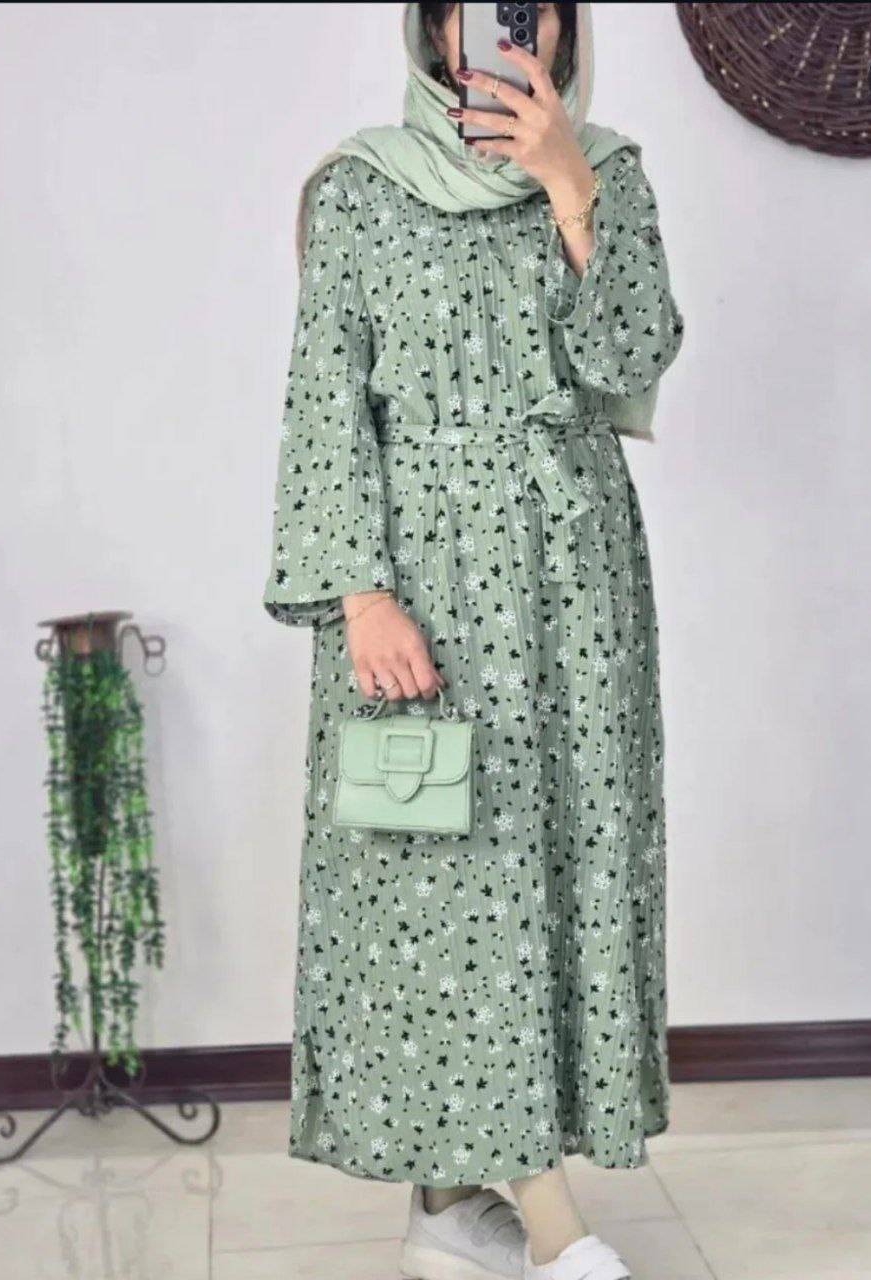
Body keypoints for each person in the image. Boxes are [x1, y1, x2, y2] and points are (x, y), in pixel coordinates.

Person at [262, 3, 685, 1277]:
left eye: (526, 4)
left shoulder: (608, 173)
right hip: (419, 582)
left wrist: (568, 192)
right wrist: (358, 593)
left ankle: (450, 1205)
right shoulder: (359, 187)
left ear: (558, 31)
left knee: (559, 865)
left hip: (573, 585)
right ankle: (550, 1225)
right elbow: (325, 396)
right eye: (467, 2)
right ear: (431, 28)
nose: (495, 25)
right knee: (435, 879)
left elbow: (631, 356)